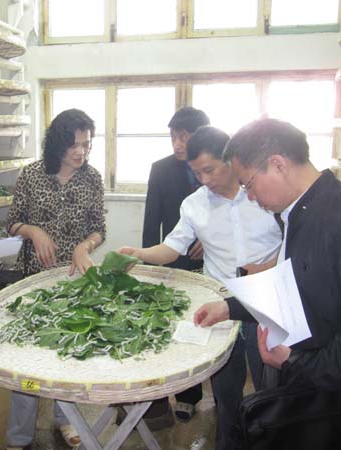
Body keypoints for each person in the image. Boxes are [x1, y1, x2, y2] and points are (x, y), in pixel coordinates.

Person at [196, 118, 341, 445]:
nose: (250, 197)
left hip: (338, 404)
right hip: (310, 382)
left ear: (278, 165)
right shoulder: (299, 213)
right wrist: (230, 308)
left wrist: (296, 363)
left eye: (248, 184)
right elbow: (293, 289)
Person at [119, 126, 282, 450]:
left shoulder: (264, 193)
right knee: (225, 392)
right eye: (197, 173)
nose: (205, 180)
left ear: (230, 160)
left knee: (270, 389)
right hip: (221, 307)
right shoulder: (195, 205)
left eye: (210, 170)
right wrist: (138, 254)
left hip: (266, 302)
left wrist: (268, 267)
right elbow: (172, 248)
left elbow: (292, 244)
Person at [4, 108, 106, 450]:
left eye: (86, 144)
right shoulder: (32, 175)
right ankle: (19, 433)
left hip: (73, 280)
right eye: (74, 145)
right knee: (27, 358)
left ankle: (66, 419)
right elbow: (12, 222)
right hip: (34, 279)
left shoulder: (91, 179)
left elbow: (99, 229)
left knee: (68, 352)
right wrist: (33, 231)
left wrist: (84, 246)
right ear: (57, 144)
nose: (81, 152)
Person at [141, 106, 209, 426]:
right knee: (173, 325)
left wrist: (208, 239)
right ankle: (171, 392)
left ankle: (191, 395)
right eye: (173, 138)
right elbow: (151, 222)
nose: (177, 144)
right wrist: (147, 267)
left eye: (184, 137)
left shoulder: (217, 169)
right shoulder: (160, 169)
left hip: (209, 263)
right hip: (171, 260)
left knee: (201, 323)